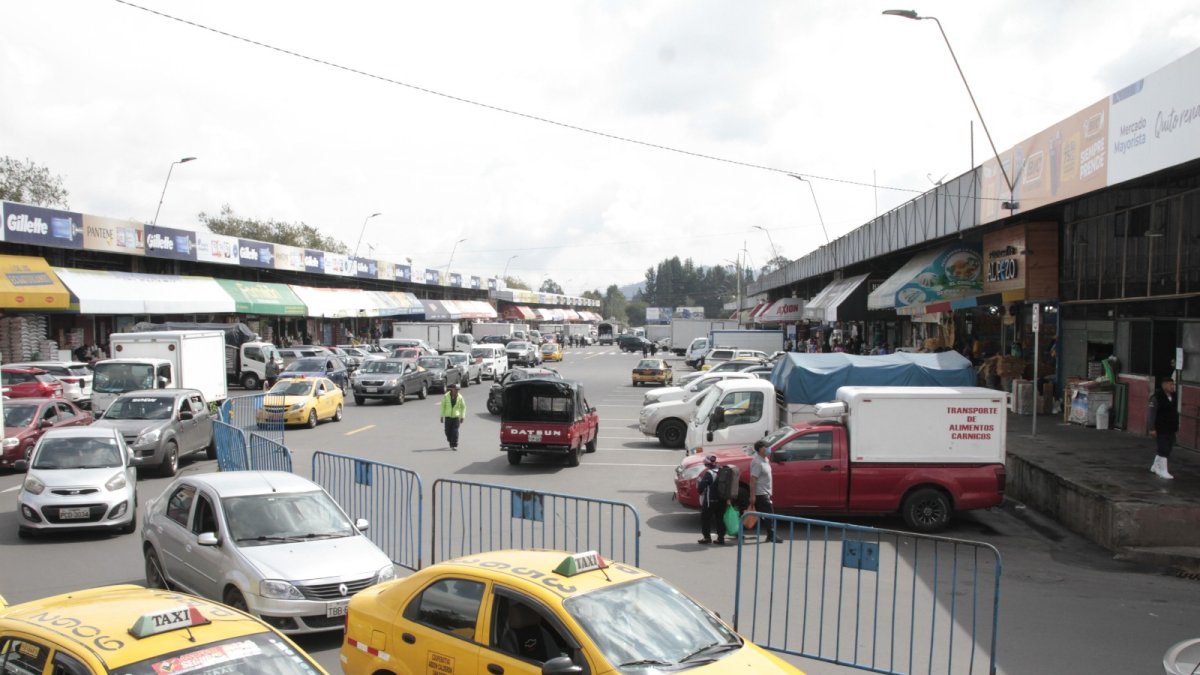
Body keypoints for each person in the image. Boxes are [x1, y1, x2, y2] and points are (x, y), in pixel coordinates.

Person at [749, 440, 780, 542]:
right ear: (760, 449)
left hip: (766, 492)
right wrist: (752, 496)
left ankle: (770, 535)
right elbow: (753, 480)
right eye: (766, 447)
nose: (768, 449)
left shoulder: (765, 459)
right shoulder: (757, 462)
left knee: (768, 515)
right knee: (769, 515)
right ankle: (771, 535)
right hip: (760, 493)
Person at [1148, 376, 1179, 479]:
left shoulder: (1174, 396)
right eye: (1171, 384)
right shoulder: (1156, 397)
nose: (1172, 386)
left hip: (1170, 427)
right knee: (1163, 448)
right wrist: (1152, 428)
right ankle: (1163, 471)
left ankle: (1155, 466)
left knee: (1168, 447)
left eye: (1173, 384)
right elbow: (1151, 414)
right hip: (1161, 427)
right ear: (1164, 385)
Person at [696, 455, 727, 545]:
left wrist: (700, 487)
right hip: (722, 499)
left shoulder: (709, 473)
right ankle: (721, 538)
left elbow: (701, 488)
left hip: (711, 500)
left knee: (705, 518)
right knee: (720, 518)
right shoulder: (722, 471)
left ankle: (707, 537)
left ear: (707, 464)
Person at [439, 382, 467, 451]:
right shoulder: (446, 396)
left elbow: (463, 407)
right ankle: (450, 440)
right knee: (447, 431)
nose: (456, 391)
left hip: (456, 417)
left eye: (458, 390)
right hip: (448, 417)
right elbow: (443, 406)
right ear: (452, 389)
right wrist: (441, 416)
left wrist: (462, 416)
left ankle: (454, 445)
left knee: (455, 431)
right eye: (455, 389)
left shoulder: (460, 397)